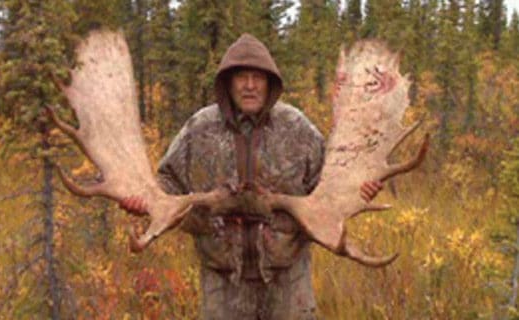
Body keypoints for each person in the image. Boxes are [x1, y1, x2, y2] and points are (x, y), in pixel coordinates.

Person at [120, 34, 382, 320]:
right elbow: (168, 181)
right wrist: (144, 200)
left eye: (257, 77)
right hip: (222, 283)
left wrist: (357, 190)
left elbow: (328, 186)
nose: (249, 85)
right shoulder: (200, 128)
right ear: (227, 83)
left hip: (288, 281)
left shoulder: (296, 128)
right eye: (241, 77)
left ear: (270, 83)